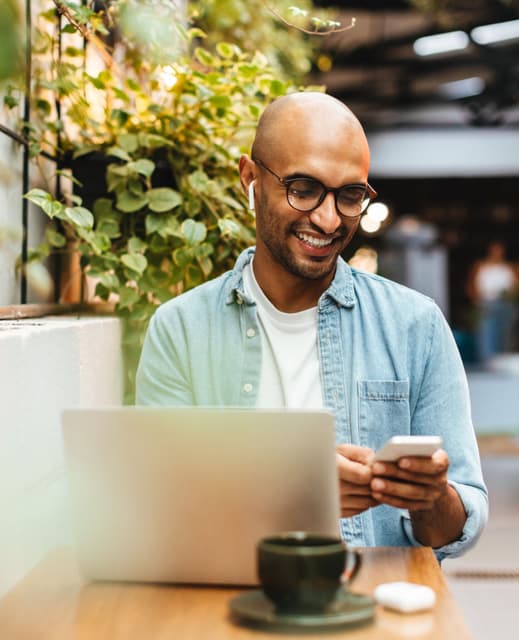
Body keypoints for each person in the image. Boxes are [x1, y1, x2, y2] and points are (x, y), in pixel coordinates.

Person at [136, 92, 487, 560]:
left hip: (371, 611)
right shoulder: (181, 330)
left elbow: (457, 525)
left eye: (350, 196)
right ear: (251, 179)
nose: (327, 219)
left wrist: (431, 498)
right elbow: (159, 510)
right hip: (227, 605)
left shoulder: (414, 327)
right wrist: (293, 489)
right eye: (303, 189)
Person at [466, 241, 517, 363]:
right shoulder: (480, 266)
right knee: (486, 332)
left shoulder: (508, 267)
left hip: (504, 304)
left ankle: (503, 359)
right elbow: (471, 285)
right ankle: (486, 360)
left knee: (504, 333)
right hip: (485, 303)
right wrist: (475, 299)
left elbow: (515, 287)